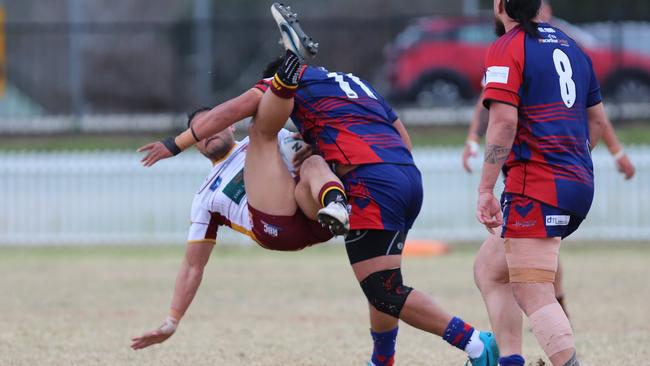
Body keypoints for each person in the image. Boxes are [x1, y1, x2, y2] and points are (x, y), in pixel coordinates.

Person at [259, 4, 500, 365]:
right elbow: (404, 140)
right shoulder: (354, 86)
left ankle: (476, 344)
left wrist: (180, 142)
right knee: (385, 281)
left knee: (383, 289)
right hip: (406, 178)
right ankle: (382, 360)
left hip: (373, 185)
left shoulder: (302, 97)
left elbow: (242, 113)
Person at [131, 86, 351, 350]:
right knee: (264, 129)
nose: (208, 133)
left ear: (230, 125)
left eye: (214, 123)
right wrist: (172, 321)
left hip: (313, 214)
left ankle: (339, 207)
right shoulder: (205, 197)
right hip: (276, 228)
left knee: (313, 164)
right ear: (194, 145)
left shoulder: (276, 137)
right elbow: (192, 266)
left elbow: (311, 157)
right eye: (199, 133)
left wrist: (311, 145)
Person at [475, 0, 609, 365]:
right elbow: (596, 122)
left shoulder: (507, 46)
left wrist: (486, 188)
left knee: (531, 289)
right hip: (577, 181)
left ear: (501, 4)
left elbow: (503, 124)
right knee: (491, 269)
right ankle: (511, 360)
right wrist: (570, 162)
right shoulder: (572, 46)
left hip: (536, 185)